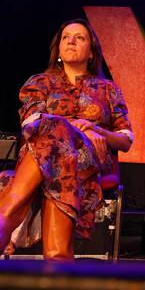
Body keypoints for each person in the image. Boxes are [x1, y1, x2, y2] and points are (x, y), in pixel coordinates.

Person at [0, 19, 133, 260]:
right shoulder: (40, 82)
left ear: (91, 52)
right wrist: (72, 127)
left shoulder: (107, 89)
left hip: (88, 163)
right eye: (66, 37)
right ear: (58, 49)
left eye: (80, 37)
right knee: (55, 134)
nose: (71, 40)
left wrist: (97, 130)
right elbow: (30, 123)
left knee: (58, 137)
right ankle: (57, 257)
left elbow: (125, 140)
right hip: (43, 158)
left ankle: (8, 214)